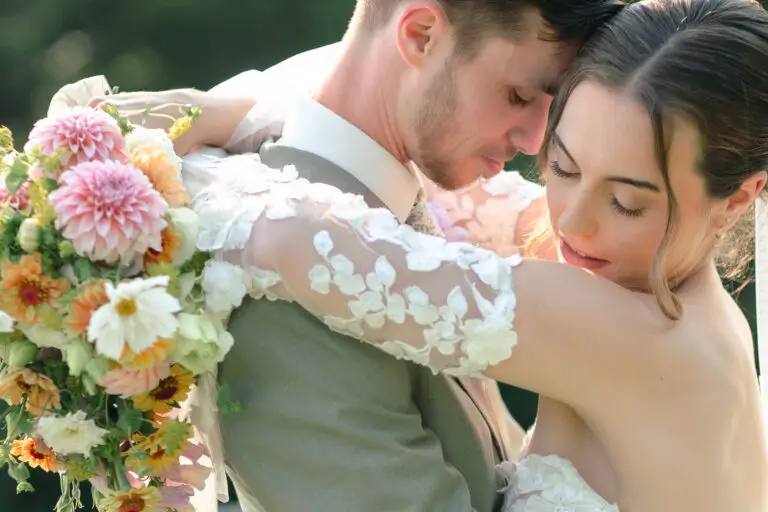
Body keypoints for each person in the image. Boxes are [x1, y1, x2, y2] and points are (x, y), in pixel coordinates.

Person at [174, 0, 768, 510]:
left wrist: (163, 164)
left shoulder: (633, 334)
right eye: (561, 165)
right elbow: (454, 190)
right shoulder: (646, 281)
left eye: (625, 201)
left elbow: (291, 243)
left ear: (738, 199)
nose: (570, 219)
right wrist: (265, 114)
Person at [87, 1, 624, 510]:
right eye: (517, 96)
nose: (534, 140)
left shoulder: (403, 192)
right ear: (421, 34)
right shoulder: (282, 288)